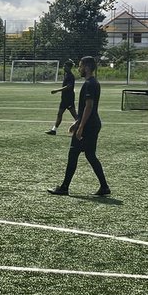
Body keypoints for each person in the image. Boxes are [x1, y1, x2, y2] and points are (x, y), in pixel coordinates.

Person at [48, 55, 110, 197]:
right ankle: (104, 187)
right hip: (93, 124)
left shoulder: (89, 84)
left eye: (81, 65)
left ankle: (64, 187)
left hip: (88, 126)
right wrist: (77, 122)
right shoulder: (94, 82)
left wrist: (80, 126)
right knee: (90, 155)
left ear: (87, 67)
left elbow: (89, 106)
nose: (79, 68)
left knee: (73, 154)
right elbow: (88, 109)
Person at [47, 59, 77, 134]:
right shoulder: (66, 75)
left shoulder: (71, 76)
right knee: (59, 114)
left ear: (69, 67)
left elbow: (68, 87)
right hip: (64, 99)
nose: (63, 67)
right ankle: (54, 130)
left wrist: (57, 90)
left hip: (69, 98)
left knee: (75, 116)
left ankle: (83, 128)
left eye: (65, 66)